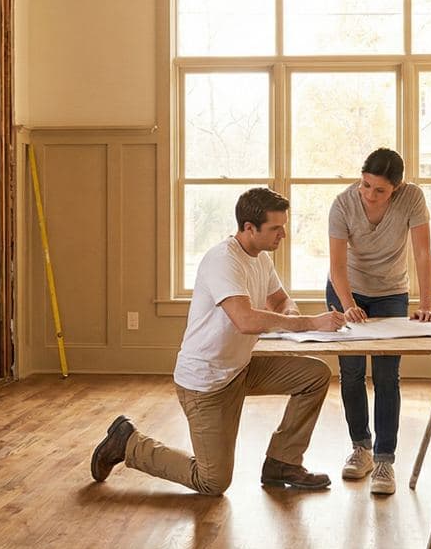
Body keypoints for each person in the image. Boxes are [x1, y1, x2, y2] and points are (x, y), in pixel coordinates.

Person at [90, 188, 345, 495]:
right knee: (212, 481)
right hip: (206, 383)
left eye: (284, 226)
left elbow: (279, 299)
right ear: (249, 228)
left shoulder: (261, 259)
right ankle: (128, 442)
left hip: (240, 369)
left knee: (314, 375)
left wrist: (289, 311)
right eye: (276, 228)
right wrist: (309, 323)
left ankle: (283, 462)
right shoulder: (223, 260)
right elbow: (245, 319)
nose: (284, 235)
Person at [325, 148, 431, 496]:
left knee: (387, 376)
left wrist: (426, 304)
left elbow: (422, 253)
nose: (370, 195)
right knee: (352, 372)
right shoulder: (343, 204)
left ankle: (385, 460)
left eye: (380, 190)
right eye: (366, 185)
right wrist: (348, 306)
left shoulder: (412, 198)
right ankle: (362, 448)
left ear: (397, 188)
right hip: (347, 288)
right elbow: (337, 266)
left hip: (390, 293)